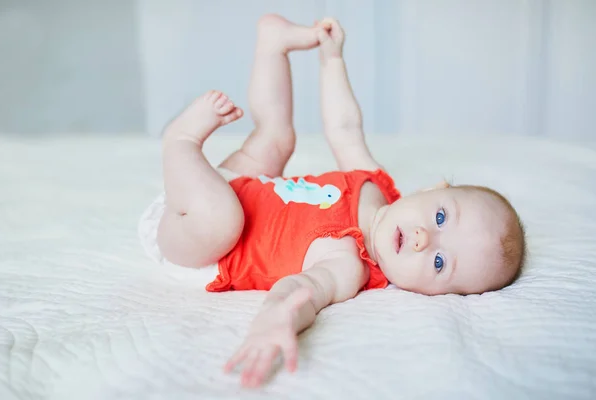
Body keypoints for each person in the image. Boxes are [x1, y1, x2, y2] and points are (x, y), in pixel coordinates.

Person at [138, 14, 526, 388]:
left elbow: (305, 290)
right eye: (441, 217)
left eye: (440, 262)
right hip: (238, 184)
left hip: (198, 242)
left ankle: (180, 142)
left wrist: (277, 318)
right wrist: (333, 60)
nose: (426, 238)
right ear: (430, 190)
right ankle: (273, 46)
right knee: (276, 138)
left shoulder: (349, 267)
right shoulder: (374, 182)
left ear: (430, 295)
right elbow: (344, 127)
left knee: (223, 218)